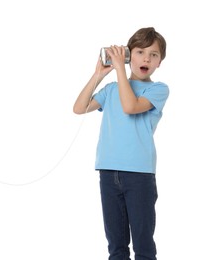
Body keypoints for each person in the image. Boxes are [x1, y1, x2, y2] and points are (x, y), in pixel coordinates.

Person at [73, 27, 169, 259]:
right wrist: (98, 75)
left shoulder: (158, 89)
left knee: (143, 245)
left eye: (153, 54)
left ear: (159, 62)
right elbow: (79, 108)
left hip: (139, 175)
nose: (146, 58)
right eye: (139, 52)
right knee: (116, 246)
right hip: (108, 171)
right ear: (128, 56)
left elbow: (131, 106)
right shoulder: (112, 89)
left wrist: (118, 71)